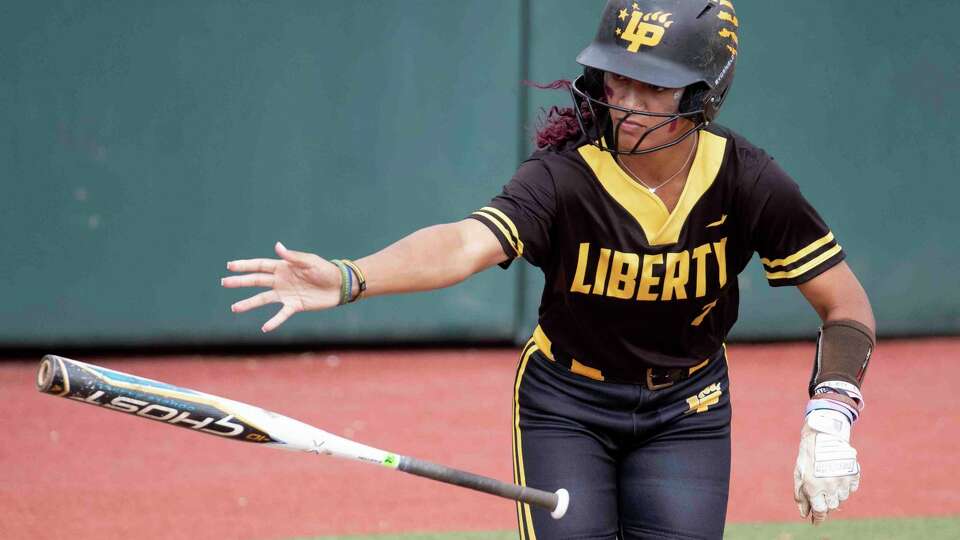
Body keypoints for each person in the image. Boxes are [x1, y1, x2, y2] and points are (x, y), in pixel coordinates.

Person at [221, 1, 875, 538]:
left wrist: (830, 410)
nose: (627, 102)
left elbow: (844, 307)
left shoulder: (748, 181)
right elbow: (465, 243)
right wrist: (349, 277)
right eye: (618, 78)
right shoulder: (564, 177)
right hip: (568, 407)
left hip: (688, 409)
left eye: (655, 85)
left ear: (705, 94)